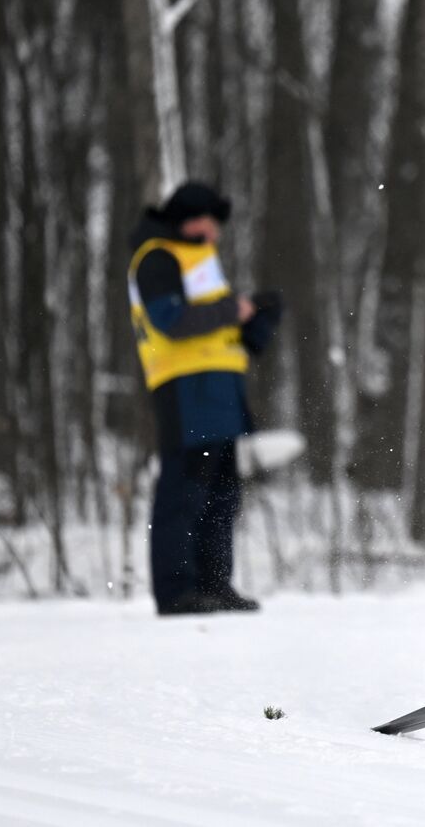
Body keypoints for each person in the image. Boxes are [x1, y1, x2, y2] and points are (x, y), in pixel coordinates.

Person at [127, 181, 283, 615]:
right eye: (211, 224)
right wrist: (235, 310)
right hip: (185, 388)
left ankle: (214, 585)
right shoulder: (157, 256)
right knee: (184, 490)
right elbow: (170, 320)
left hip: (219, 387)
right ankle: (176, 591)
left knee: (221, 491)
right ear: (190, 219)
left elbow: (219, 328)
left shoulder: (200, 258)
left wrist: (258, 319)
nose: (215, 234)